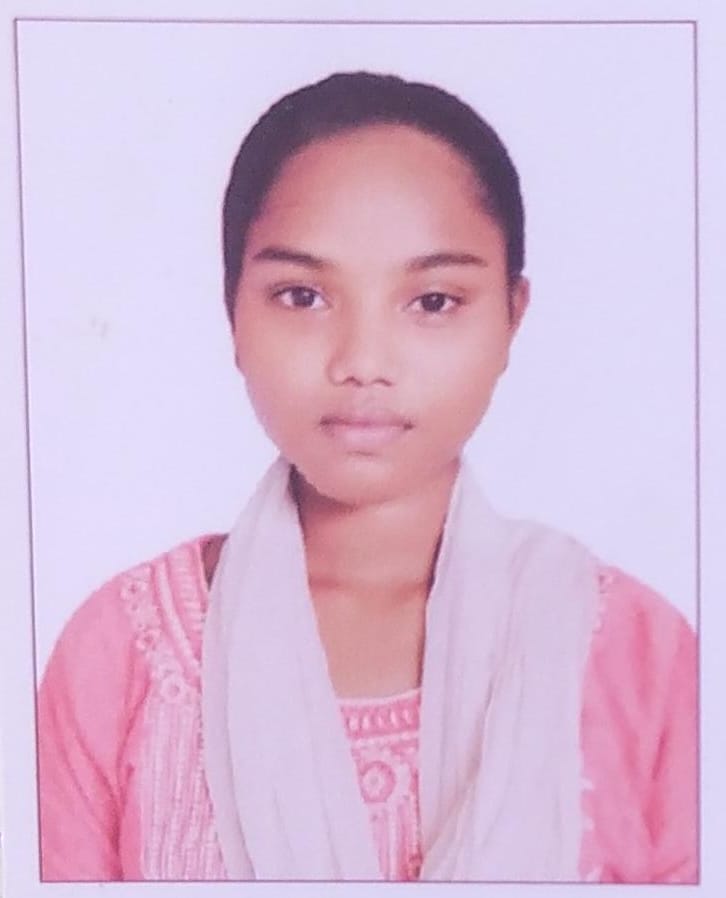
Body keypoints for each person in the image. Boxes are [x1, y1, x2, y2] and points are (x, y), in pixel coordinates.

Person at [37, 71, 697, 883]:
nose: (363, 361)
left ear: (512, 318)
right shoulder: (119, 656)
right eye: (302, 296)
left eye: (433, 302)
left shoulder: (644, 660)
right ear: (232, 312)